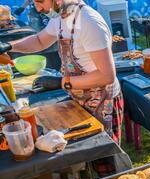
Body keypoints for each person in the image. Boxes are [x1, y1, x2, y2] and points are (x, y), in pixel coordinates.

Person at [0, 0, 124, 144]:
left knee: (103, 154)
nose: (38, 9)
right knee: (82, 148)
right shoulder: (60, 17)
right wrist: (8, 46)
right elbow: (39, 41)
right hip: (78, 95)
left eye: (40, 2)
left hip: (103, 99)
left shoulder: (89, 22)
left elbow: (106, 75)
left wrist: (61, 83)